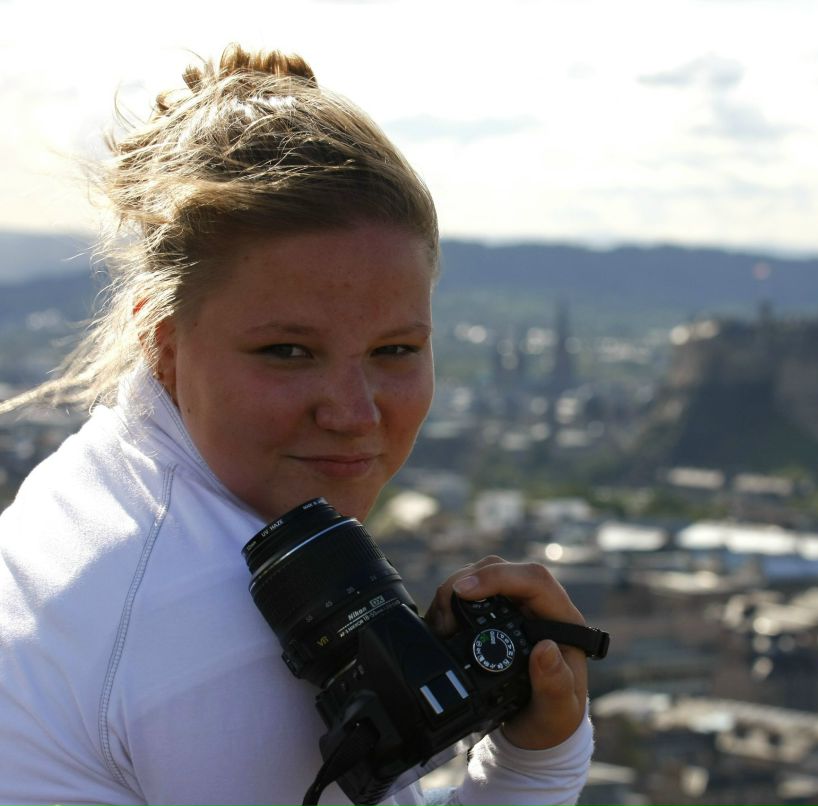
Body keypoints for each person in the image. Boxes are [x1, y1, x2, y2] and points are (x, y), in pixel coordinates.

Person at [0, 45, 593, 806]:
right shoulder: (227, 628)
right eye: (287, 351)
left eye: (395, 350)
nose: (351, 412)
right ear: (164, 340)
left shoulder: (98, 489)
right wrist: (538, 769)